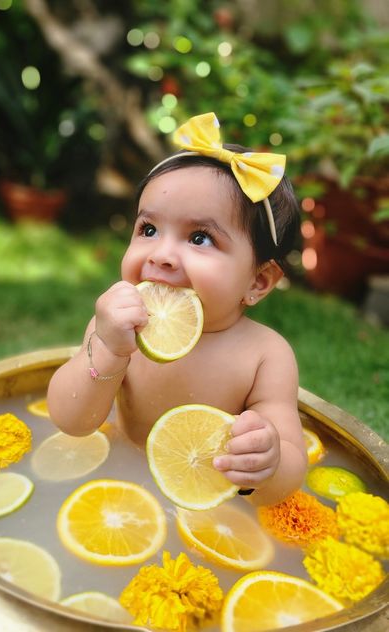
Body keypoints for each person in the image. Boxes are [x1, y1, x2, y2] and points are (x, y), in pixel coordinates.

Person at [47, 112, 307, 506]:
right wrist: (108, 349)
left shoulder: (265, 356)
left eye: (200, 238)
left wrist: (267, 461)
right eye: (148, 230)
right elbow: (72, 421)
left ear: (258, 282)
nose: (162, 254)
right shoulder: (119, 330)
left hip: (207, 501)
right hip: (122, 477)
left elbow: (291, 466)